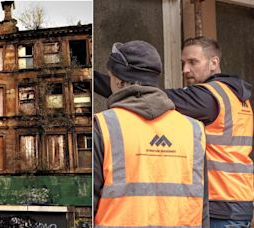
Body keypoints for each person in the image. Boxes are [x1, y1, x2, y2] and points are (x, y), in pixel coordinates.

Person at [94, 37, 253, 227]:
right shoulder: (238, 98)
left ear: (214, 63)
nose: (185, 70)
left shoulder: (207, 98)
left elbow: (147, 94)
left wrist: (98, 79)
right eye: (183, 63)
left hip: (219, 200)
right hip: (240, 198)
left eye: (193, 62)